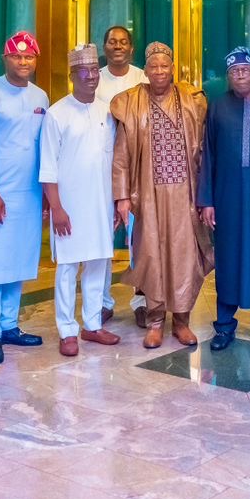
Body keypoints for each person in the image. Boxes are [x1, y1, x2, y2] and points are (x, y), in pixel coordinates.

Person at [111, 42, 209, 349]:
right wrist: (122, 196)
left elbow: (205, 150)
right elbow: (121, 154)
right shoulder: (131, 102)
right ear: (146, 70)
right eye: (153, 66)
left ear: (173, 68)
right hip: (148, 193)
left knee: (184, 257)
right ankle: (154, 322)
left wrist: (206, 195)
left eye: (164, 66)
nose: (159, 71)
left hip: (184, 192)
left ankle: (181, 321)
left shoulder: (192, 100)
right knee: (150, 255)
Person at [197, 47, 250, 353]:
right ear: (228, 76)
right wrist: (207, 200)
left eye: (245, 70)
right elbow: (208, 155)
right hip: (226, 197)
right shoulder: (218, 107)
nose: (240, 76)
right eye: (234, 71)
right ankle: (224, 326)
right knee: (227, 259)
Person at [0, 31, 49, 363]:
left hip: (29, 193)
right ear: (5, 59)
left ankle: (9, 326)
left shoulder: (41, 96)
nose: (23, 61)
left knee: (17, 261)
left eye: (29, 56)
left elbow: (43, 147)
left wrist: (46, 193)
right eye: (16, 56)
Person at [41, 44, 121, 356]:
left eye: (94, 70)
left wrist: (116, 203)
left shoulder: (108, 111)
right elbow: (48, 167)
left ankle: (92, 324)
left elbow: (115, 161)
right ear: (72, 75)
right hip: (69, 207)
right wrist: (57, 208)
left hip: (101, 203)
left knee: (98, 264)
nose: (90, 76)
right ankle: (67, 330)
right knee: (68, 268)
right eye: (83, 71)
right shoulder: (56, 114)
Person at [96, 25, 148, 326]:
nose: (118, 46)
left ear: (131, 48)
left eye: (123, 42)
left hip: (137, 169)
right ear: (105, 47)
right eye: (112, 41)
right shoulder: (94, 79)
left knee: (140, 239)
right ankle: (102, 302)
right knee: (102, 238)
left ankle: (142, 301)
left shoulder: (143, 79)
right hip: (102, 169)